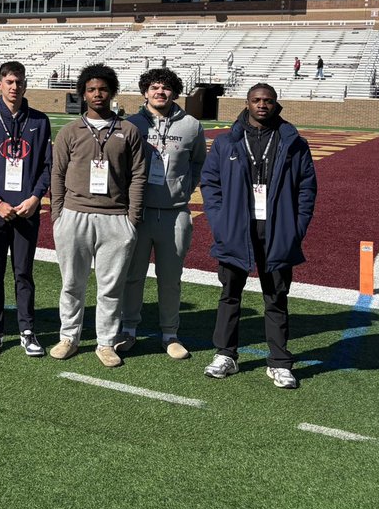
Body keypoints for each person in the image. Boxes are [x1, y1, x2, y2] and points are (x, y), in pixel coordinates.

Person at [200, 83, 317, 389]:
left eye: (267, 100)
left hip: (277, 230)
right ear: (247, 103)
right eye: (256, 100)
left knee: (276, 297)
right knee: (229, 295)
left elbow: (307, 188)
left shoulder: (293, 142)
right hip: (236, 228)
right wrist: (220, 221)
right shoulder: (227, 142)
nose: (262, 105)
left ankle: (278, 361)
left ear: (276, 104)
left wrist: (297, 228)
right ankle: (225, 354)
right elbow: (210, 184)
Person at [49, 64, 147, 368]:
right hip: (74, 216)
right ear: (83, 93)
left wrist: (132, 218)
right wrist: (58, 215)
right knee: (72, 283)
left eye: (103, 89)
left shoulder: (128, 130)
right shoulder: (70, 131)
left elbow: (139, 175)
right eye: (91, 89)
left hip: (116, 219)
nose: (97, 94)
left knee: (110, 287)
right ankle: (69, 336)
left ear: (112, 92)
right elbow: (57, 174)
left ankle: (106, 342)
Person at [119, 67, 206, 360]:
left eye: (166, 87)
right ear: (145, 91)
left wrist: (182, 189)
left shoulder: (191, 126)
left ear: (174, 92)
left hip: (175, 214)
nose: (160, 92)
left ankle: (170, 333)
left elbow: (198, 164)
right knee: (133, 275)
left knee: (170, 277)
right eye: (154, 87)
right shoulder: (130, 124)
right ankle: (129, 329)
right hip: (139, 213)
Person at [0, 61, 52, 357]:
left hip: (27, 210)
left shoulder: (40, 122)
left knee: (23, 273)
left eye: (19, 82)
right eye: (9, 81)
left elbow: (46, 167)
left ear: (26, 85)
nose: (14, 87)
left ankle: (27, 330)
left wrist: (35, 198)